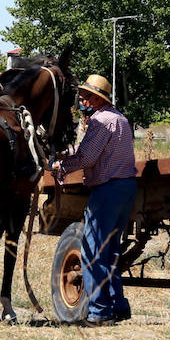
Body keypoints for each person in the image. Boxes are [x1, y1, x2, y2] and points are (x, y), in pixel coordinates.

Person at [51, 74, 138, 326]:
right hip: (125, 188)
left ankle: (99, 312)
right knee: (110, 251)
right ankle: (117, 305)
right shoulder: (119, 118)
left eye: (86, 96)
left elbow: (86, 158)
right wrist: (68, 155)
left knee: (92, 252)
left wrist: (60, 166)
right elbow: (92, 152)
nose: (81, 100)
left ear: (97, 99)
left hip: (107, 191)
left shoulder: (100, 121)